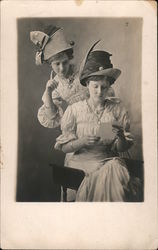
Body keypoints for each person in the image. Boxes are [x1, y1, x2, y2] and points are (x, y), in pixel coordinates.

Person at [55, 41, 140, 202]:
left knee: (115, 167)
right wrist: (82, 141)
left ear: (109, 87)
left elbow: (116, 147)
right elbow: (65, 148)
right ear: (87, 84)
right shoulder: (75, 110)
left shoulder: (114, 110)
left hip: (106, 161)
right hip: (81, 165)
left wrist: (120, 137)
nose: (100, 92)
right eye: (95, 87)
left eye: (104, 87)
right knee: (111, 173)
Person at [30, 27, 115, 129]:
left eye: (65, 62)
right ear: (50, 64)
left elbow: (106, 90)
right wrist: (48, 91)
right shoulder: (55, 84)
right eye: (57, 64)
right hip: (82, 123)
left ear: (69, 59)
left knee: (106, 138)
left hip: (104, 114)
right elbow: (52, 116)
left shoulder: (83, 69)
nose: (62, 68)